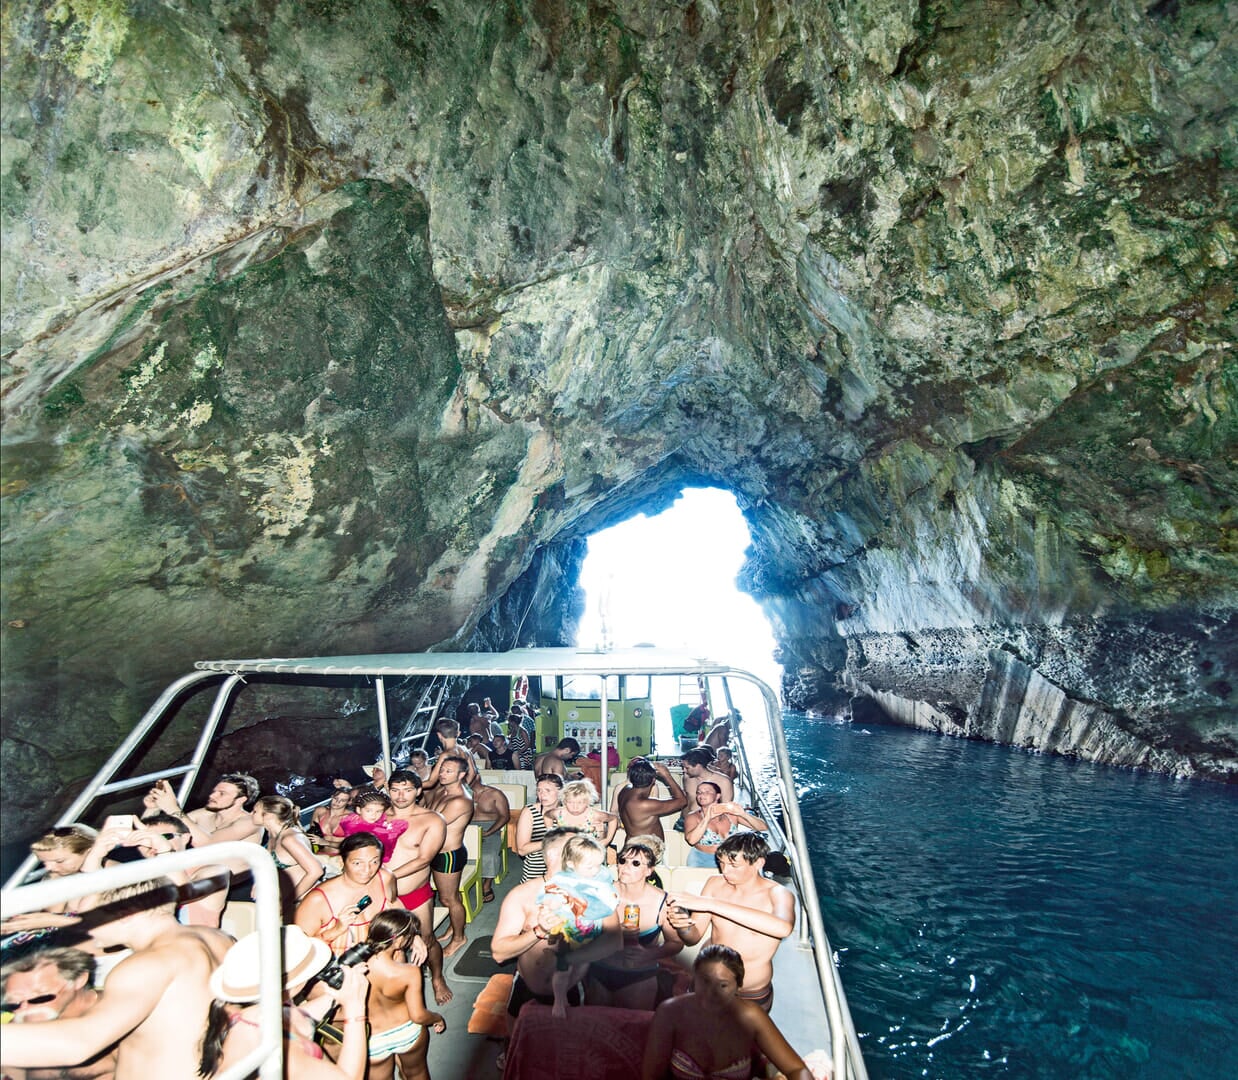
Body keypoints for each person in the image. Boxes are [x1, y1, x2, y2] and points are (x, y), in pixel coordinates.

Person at [0, 877, 232, 1080]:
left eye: (90, 917)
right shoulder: (218, 939)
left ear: (125, 914)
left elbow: (79, 1043)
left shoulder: (148, 964)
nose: (84, 927)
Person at [491, 828, 620, 1038]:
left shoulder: (595, 892)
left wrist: (569, 957)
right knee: (518, 1050)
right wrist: (539, 931)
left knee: (568, 1054)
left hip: (573, 989)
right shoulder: (523, 895)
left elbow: (615, 941)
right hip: (527, 988)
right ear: (553, 855)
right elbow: (499, 953)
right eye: (573, 847)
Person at [199, 924, 372, 1080]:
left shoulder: (241, 1011)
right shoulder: (279, 1049)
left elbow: (296, 1018)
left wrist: (336, 995)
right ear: (290, 985)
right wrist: (355, 1008)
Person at [666, 833, 795, 1013]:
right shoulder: (714, 883)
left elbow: (784, 928)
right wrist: (683, 926)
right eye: (721, 863)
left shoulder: (778, 894)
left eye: (734, 865)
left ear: (758, 863)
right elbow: (692, 938)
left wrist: (711, 904)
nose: (725, 871)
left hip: (749, 992)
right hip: (708, 981)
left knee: (740, 1040)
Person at [641, 945, 811, 1080]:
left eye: (722, 985)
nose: (710, 993)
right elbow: (651, 1077)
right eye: (705, 981)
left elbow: (797, 1069)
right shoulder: (670, 1012)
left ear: (738, 986)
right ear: (694, 978)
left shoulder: (751, 1017)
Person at [588, 835, 684, 1010]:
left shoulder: (662, 902)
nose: (625, 867)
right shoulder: (601, 893)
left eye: (636, 864)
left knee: (633, 1031)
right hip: (599, 972)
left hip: (639, 976)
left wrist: (649, 955)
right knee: (597, 1030)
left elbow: (676, 943)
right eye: (623, 861)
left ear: (649, 870)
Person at [384, 769, 452, 1005]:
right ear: (387, 791)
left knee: (427, 938)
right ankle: (402, 986)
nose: (401, 796)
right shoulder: (378, 817)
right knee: (390, 942)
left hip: (415, 893)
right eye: (395, 790)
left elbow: (424, 858)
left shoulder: (432, 819)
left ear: (419, 791)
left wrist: (388, 874)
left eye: (407, 790)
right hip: (383, 893)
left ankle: (437, 978)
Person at [0, 946, 117, 1080]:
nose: (25, 1009)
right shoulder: (21, 1023)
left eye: (40, 997)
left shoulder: (122, 1019)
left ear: (79, 980)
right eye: (14, 1003)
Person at [535, 835, 618, 1018]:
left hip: (589, 928)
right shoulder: (564, 879)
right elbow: (548, 894)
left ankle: (569, 990)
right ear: (571, 864)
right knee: (563, 966)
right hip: (567, 929)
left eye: (598, 864)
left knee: (583, 964)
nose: (595, 870)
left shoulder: (601, 875)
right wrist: (552, 903)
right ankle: (558, 999)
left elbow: (610, 897)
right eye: (590, 867)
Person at [145, 773, 263, 900]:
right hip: (195, 878)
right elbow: (152, 832)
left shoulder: (250, 822)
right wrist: (152, 809)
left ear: (241, 800)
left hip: (232, 889)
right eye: (214, 791)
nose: (212, 795)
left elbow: (209, 845)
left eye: (222, 793)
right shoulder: (204, 814)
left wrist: (173, 808)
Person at [362, 910, 446, 1080]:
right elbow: (418, 1015)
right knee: (416, 1074)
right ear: (398, 940)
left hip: (372, 1038)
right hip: (406, 1032)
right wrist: (437, 1018)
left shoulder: (356, 968)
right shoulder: (408, 972)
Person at [295, 832, 403, 956]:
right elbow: (300, 950)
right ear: (342, 861)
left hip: (383, 961)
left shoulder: (384, 878)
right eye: (357, 863)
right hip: (341, 970)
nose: (367, 870)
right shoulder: (318, 900)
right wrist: (336, 930)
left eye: (374, 862)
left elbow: (394, 903)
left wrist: (412, 934)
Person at [0, 826, 99, 941]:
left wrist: (51, 921)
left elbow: (102, 928)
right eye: (43, 862)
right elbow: (38, 913)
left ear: (90, 851)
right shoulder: (56, 875)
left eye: (59, 861)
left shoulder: (114, 875)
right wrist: (15, 923)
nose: (49, 867)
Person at [424, 755, 474, 958]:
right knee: (451, 895)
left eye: (448, 771)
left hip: (449, 856)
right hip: (438, 853)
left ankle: (459, 937)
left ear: (461, 775)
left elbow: (430, 824)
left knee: (448, 898)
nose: (443, 774)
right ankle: (454, 927)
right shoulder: (441, 792)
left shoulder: (460, 801)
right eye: (442, 769)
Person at [251, 794, 326, 914]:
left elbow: (316, 871)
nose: (251, 814)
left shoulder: (290, 839)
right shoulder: (272, 834)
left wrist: (287, 902)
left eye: (255, 811)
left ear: (269, 816)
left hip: (303, 902)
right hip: (280, 897)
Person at [683, 783, 768, 868]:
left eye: (707, 792)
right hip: (703, 860)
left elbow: (763, 827)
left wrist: (743, 814)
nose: (701, 795)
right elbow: (691, 840)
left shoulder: (730, 814)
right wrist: (707, 818)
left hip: (731, 858)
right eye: (699, 792)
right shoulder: (693, 817)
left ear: (717, 796)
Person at [617, 758, 689, 841]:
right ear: (654, 780)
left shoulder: (625, 790)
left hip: (634, 842)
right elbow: (682, 801)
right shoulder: (645, 805)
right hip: (645, 847)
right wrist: (667, 775)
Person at [334, 790, 409, 864]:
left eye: (378, 811)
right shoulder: (354, 825)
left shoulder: (354, 820)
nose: (373, 815)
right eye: (369, 811)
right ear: (358, 810)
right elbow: (386, 850)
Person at [514, 773, 563, 883]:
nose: (542, 795)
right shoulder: (530, 812)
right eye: (539, 790)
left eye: (547, 790)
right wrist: (551, 841)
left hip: (563, 869)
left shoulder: (568, 811)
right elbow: (522, 850)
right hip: (536, 871)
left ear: (560, 792)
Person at [470, 776, 512, 904]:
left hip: (490, 827)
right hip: (467, 827)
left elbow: (505, 816)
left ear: (477, 777)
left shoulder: (495, 794)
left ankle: (487, 884)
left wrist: (489, 832)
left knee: (489, 855)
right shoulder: (460, 793)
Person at [552, 778, 618, 849]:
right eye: (570, 802)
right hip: (566, 851)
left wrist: (607, 840)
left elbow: (613, 819)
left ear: (587, 802)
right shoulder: (559, 813)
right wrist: (550, 832)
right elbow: (547, 815)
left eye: (580, 803)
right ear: (564, 801)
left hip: (590, 852)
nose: (575, 807)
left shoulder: (595, 815)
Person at [423, 720, 481, 788]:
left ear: (439, 735)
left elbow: (431, 782)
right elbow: (472, 773)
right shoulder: (465, 750)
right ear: (458, 733)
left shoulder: (445, 755)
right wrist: (464, 788)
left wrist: (410, 785)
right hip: (462, 788)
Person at [310, 789, 354, 855]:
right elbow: (311, 834)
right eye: (336, 798)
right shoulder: (320, 811)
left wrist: (326, 842)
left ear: (349, 802)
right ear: (332, 797)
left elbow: (352, 844)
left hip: (340, 857)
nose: (337, 802)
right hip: (320, 854)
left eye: (342, 800)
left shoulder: (351, 818)